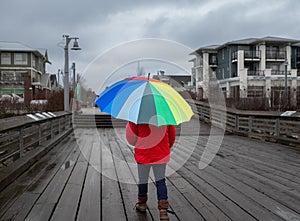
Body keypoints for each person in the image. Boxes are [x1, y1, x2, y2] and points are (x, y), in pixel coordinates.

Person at [126, 121, 176, 221]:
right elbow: (172, 137)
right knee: (161, 181)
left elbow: (131, 139)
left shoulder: (137, 115)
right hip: (160, 153)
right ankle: (163, 211)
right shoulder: (165, 115)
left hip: (143, 153)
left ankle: (142, 204)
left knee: (143, 179)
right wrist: (165, 147)